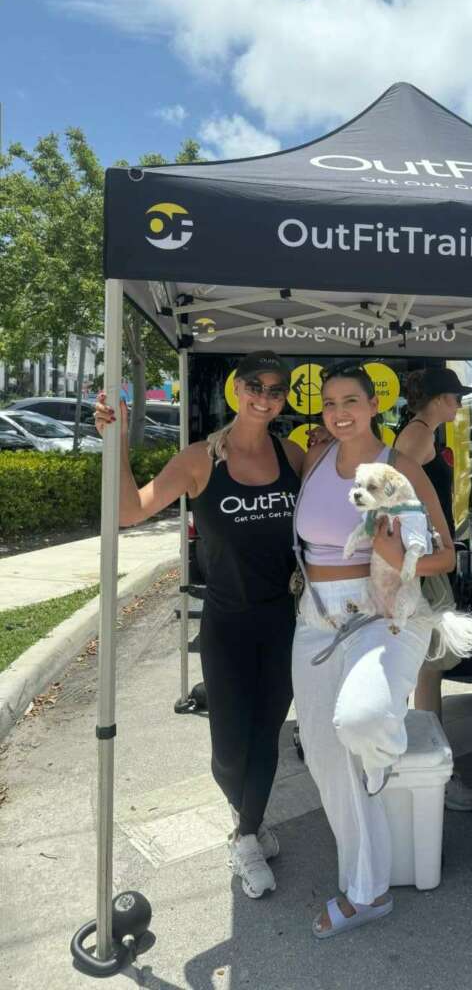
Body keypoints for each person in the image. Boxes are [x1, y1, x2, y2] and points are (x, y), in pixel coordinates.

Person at [94, 351, 303, 899]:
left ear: (284, 398)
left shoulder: (293, 455)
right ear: (237, 388)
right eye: (255, 385)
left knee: (266, 733)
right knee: (230, 747)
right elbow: (130, 511)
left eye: (276, 390)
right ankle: (247, 815)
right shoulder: (199, 459)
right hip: (227, 622)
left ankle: (247, 832)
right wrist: (116, 442)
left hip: (283, 620)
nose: (264, 397)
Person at [292, 361, 456, 939]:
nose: (340, 412)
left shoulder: (400, 466)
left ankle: (379, 754)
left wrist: (397, 557)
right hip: (316, 616)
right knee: (323, 753)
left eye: (351, 401)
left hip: (383, 613)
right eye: (330, 402)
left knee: (360, 722)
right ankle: (368, 891)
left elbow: (446, 555)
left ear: (373, 405)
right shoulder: (313, 459)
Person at [395, 368, 472, 812]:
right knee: (427, 665)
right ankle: (433, 770)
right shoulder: (416, 437)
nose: (459, 404)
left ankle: (423, 762)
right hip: (425, 566)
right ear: (436, 399)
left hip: (427, 561)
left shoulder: (421, 432)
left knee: (423, 665)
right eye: (455, 397)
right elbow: (397, 501)